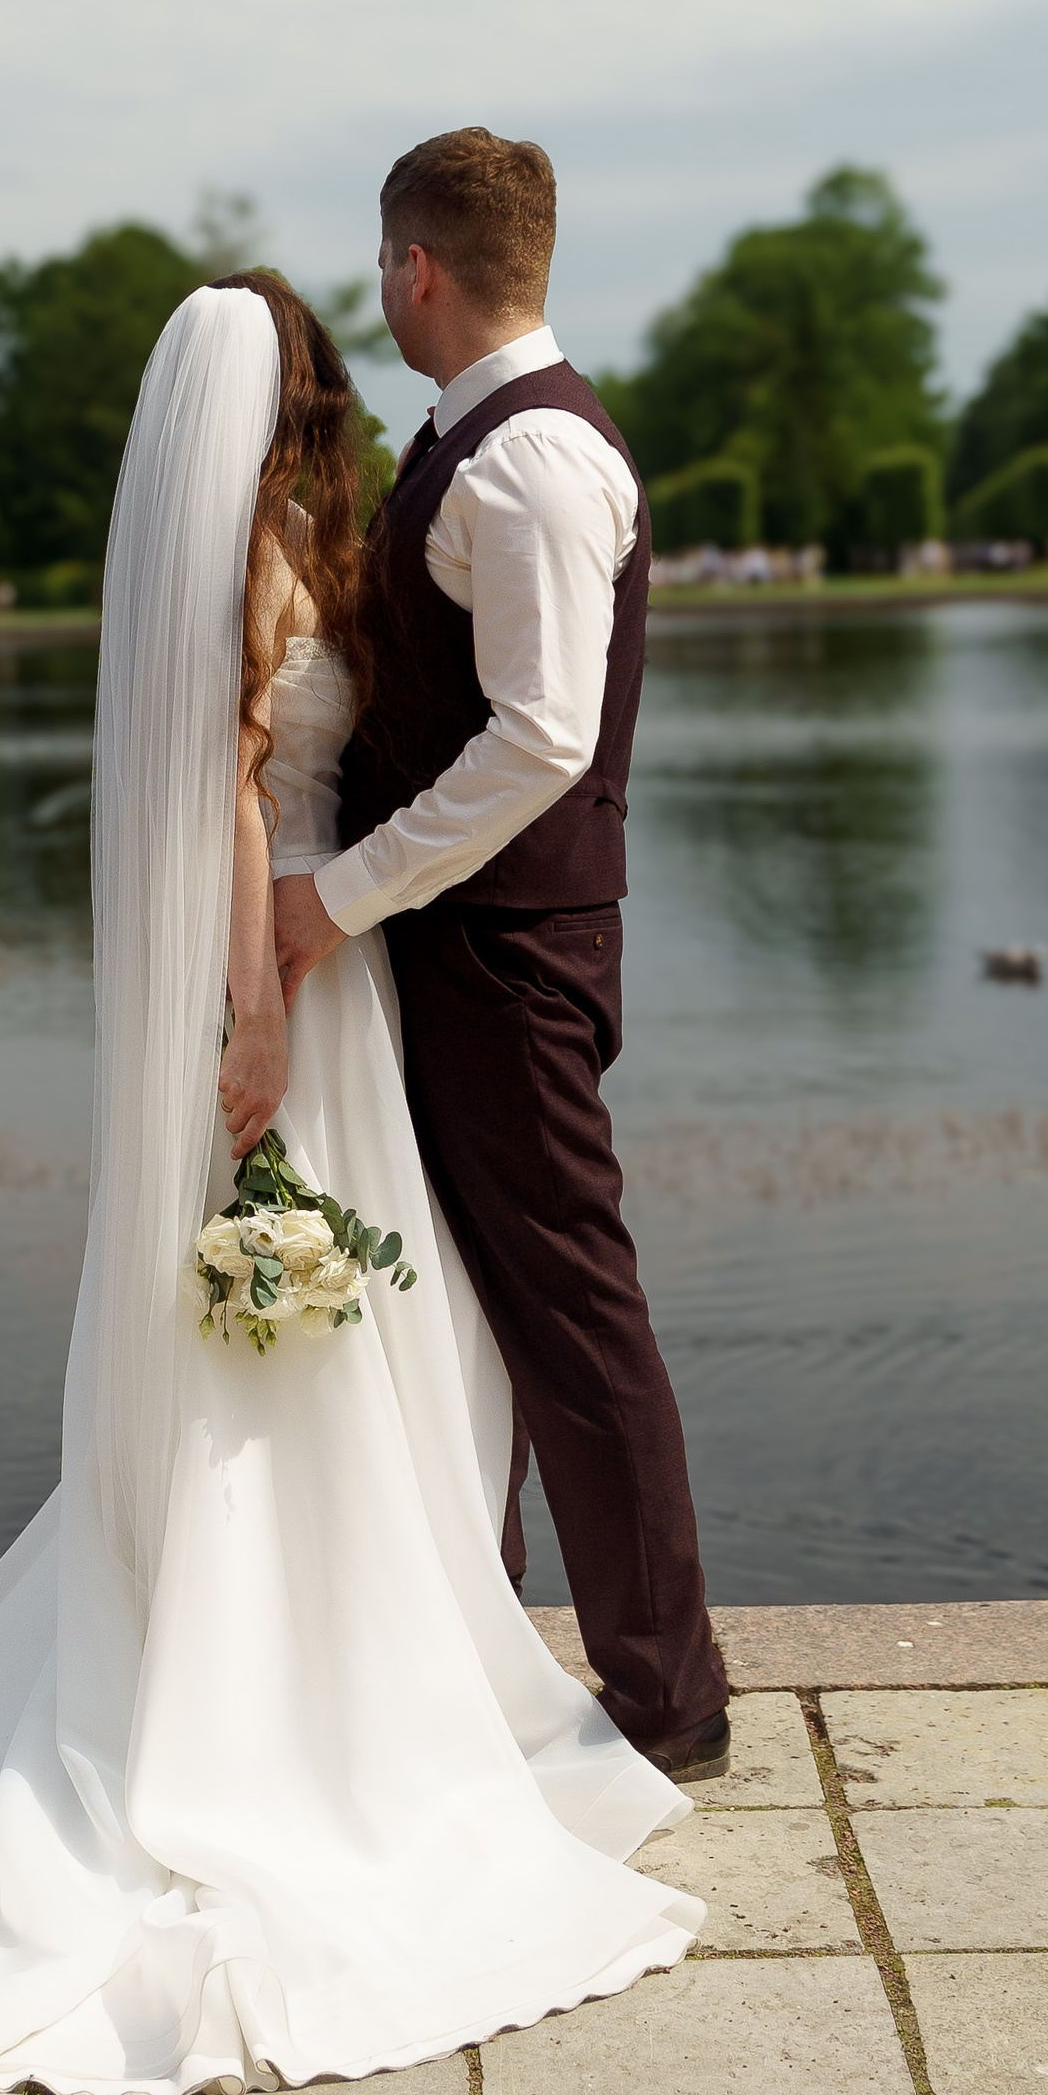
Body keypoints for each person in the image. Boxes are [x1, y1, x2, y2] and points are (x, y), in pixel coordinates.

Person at [0, 267, 701, 2095]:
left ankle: (373, 1644)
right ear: (269, 402)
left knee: (384, 1324)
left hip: (322, 962)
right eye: (305, 375)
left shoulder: (271, 541)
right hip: (292, 972)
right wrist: (258, 1014)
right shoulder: (259, 565)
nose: (333, 382)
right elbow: (229, 798)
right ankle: (301, 1682)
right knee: (340, 1328)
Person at [271, 129, 729, 1779]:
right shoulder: (471, 444)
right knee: (481, 1313)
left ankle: (667, 1704)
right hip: (461, 941)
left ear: (417, 269)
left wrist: (340, 894)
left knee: (570, 1312)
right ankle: (488, 1652)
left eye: (381, 266)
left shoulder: (532, 461)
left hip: (508, 952)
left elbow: (539, 740)